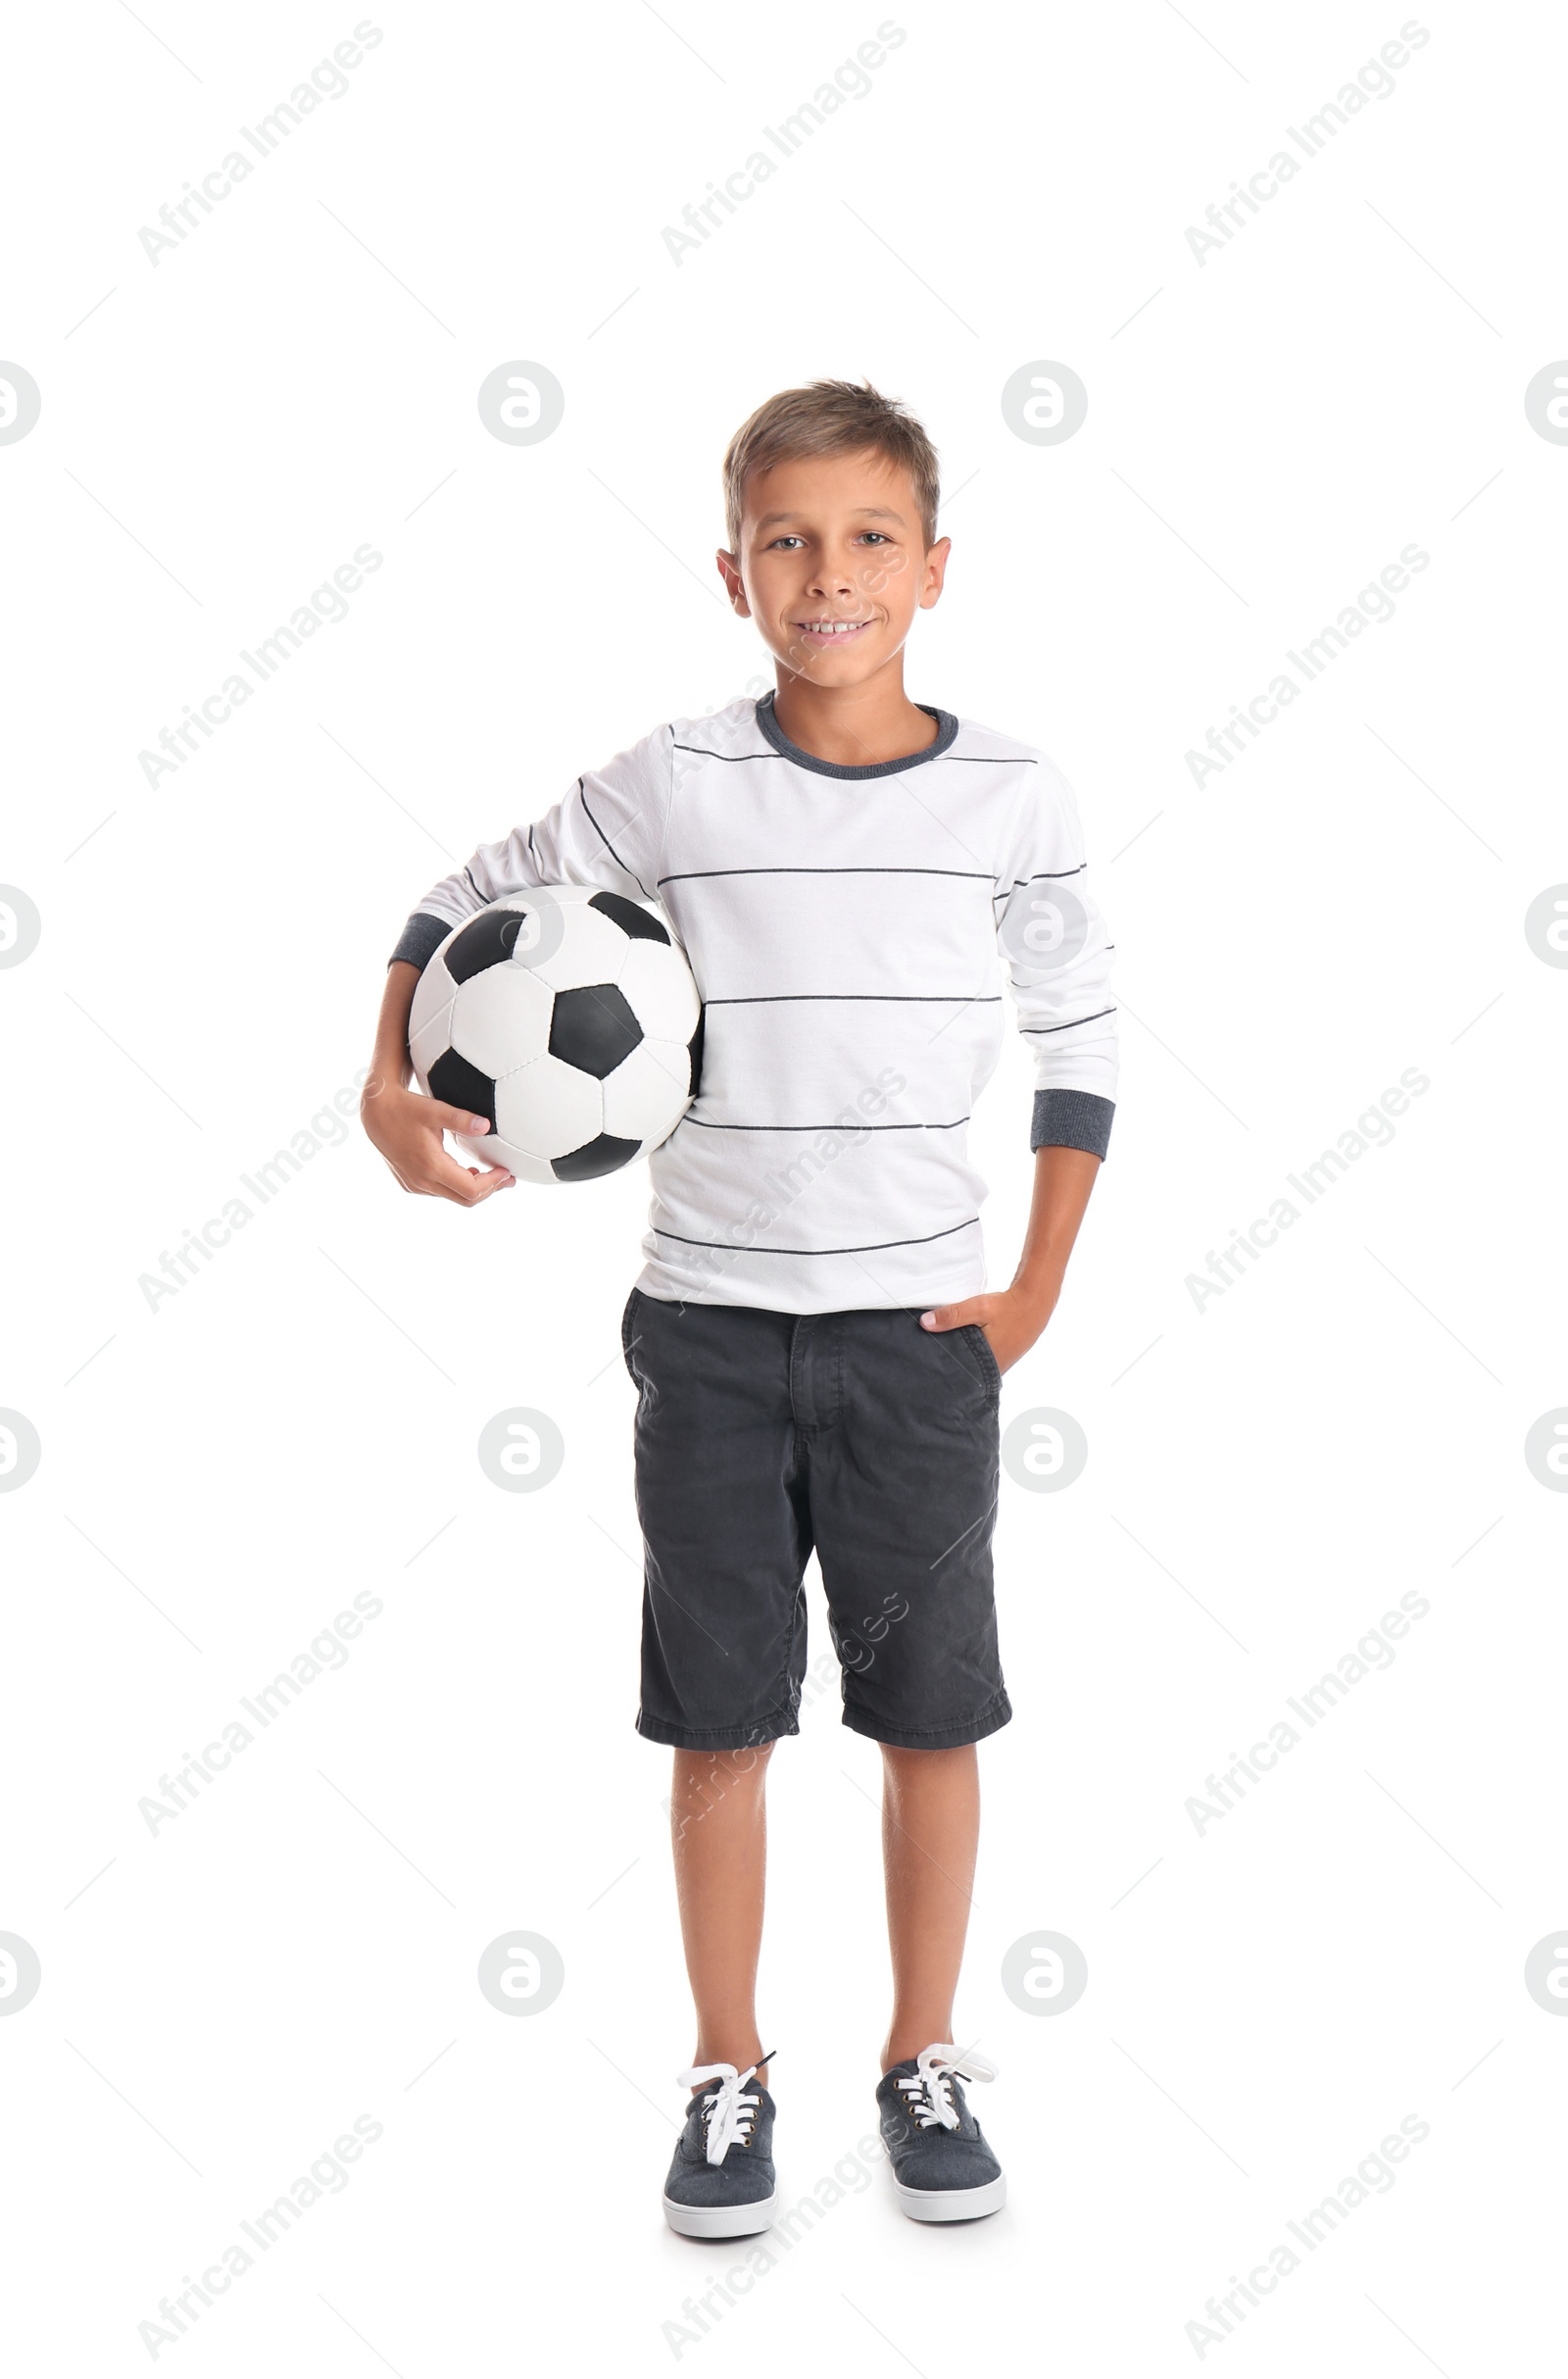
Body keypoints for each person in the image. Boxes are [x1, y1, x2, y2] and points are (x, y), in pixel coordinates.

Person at [363, 378, 1118, 2236]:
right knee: (722, 1717)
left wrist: (1033, 1289)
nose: (830, 575)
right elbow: (459, 897)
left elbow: (1084, 1042)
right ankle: (727, 2068)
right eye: (789, 539)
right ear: (733, 573)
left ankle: (923, 2054)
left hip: (918, 1340)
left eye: (871, 539)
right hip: (702, 1330)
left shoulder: (1014, 795)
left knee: (930, 1715)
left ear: (936, 567)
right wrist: (387, 1090)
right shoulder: (671, 786)